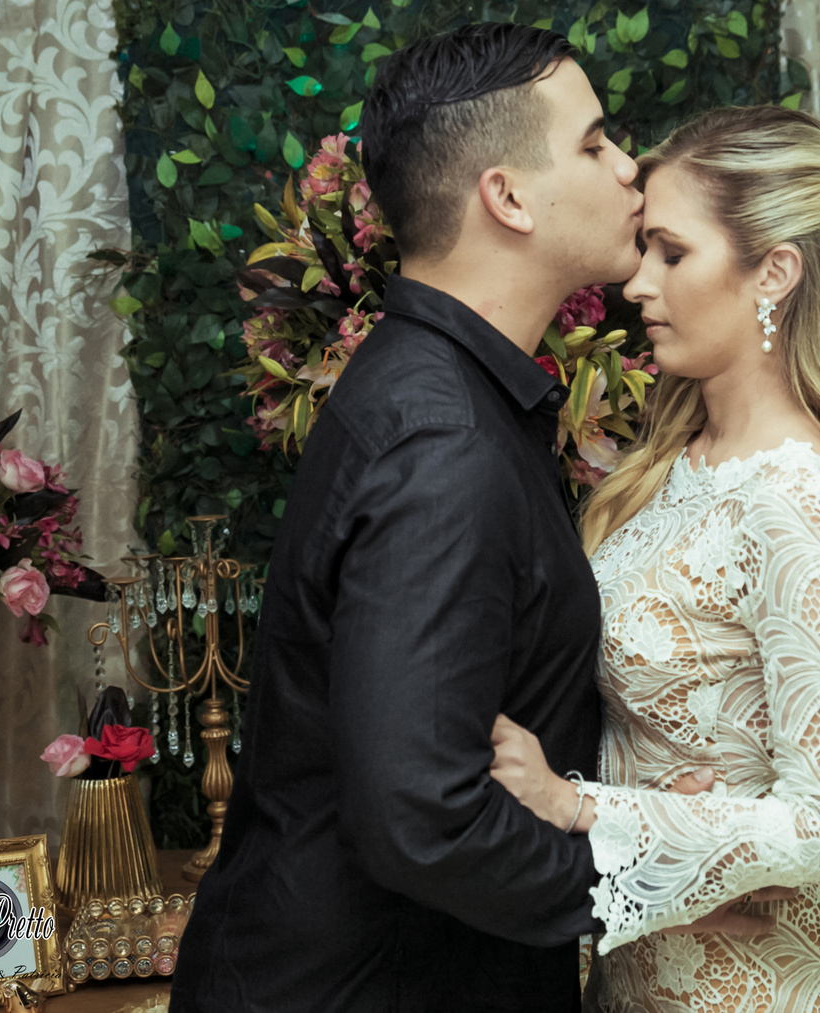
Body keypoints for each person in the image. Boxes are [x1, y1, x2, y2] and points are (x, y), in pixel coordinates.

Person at [169, 24, 653, 1013]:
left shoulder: (447, 390)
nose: (628, 166)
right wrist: (648, 884)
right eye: (595, 142)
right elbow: (425, 816)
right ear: (507, 197)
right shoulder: (443, 441)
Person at [489, 102, 820, 1012]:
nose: (638, 283)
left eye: (672, 253)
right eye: (644, 249)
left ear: (775, 272)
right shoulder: (673, 463)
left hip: (756, 987)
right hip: (640, 977)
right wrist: (675, 826)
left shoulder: (797, 489)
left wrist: (584, 807)